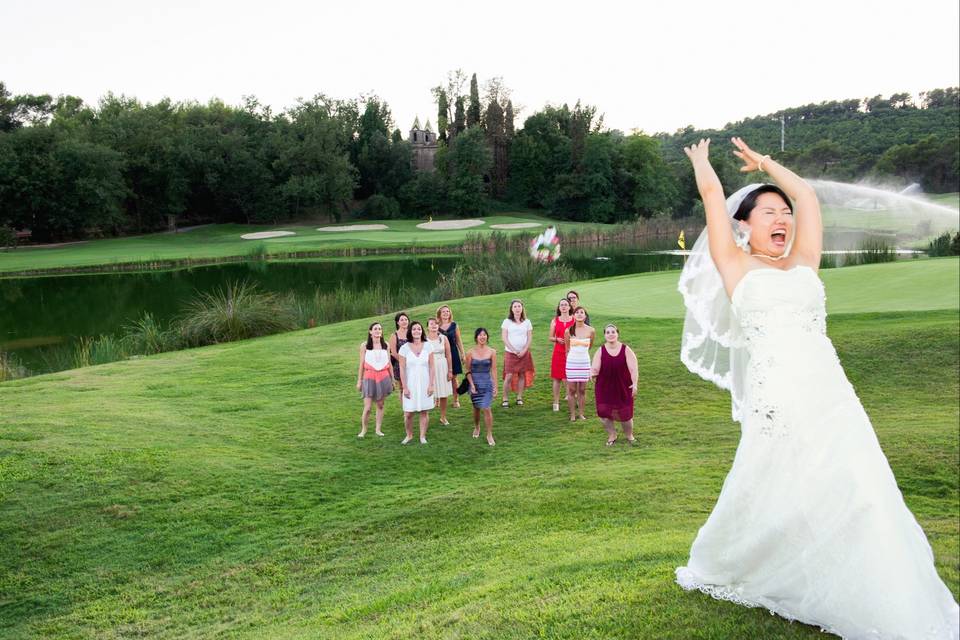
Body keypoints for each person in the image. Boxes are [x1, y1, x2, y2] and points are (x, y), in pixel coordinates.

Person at [675, 137, 959, 638]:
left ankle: (880, 586)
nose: (782, 218)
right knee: (775, 486)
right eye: (768, 212)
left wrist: (764, 164)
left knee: (860, 486)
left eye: (783, 213)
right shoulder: (735, 265)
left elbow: (806, 195)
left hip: (832, 395)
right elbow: (713, 198)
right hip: (776, 400)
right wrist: (702, 163)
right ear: (745, 225)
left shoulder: (805, 260)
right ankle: (753, 560)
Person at [590, 323, 638, 445]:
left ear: (617, 334)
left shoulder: (626, 349)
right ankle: (612, 435)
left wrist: (635, 383)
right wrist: (592, 373)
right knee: (603, 412)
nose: (611, 334)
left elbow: (633, 369)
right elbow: (595, 367)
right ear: (605, 335)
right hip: (604, 387)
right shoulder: (600, 350)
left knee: (625, 415)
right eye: (608, 332)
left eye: (613, 332)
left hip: (623, 386)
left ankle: (629, 435)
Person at [398, 321, 435, 445]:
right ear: (410, 331)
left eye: (419, 329)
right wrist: (405, 387)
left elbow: (432, 367)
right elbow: (402, 369)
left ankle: (422, 436)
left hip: (425, 383)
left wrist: (431, 384)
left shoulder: (428, 346)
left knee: (424, 411)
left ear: (422, 331)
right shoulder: (404, 348)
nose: (416, 331)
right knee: (408, 413)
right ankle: (409, 435)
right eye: (414, 329)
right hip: (410, 384)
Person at [355, 321, 393, 438]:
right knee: (367, 408)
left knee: (380, 405)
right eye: (375, 329)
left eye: (380, 329)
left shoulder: (386, 345)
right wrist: (359, 380)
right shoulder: (365, 346)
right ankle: (364, 430)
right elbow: (361, 364)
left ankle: (378, 429)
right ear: (370, 331)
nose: (378, 331)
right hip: (369, 377)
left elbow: (389, 363)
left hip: (383, 376)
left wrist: (392, 379)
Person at [465, 327, 498, 446]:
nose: (482, 337)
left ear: (487, 337)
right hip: (474, 383)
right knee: (476, 408)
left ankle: (489, 434)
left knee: (487, 408)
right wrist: (472, 385)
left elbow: (494, 370)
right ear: (476, 337)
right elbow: (467, 371)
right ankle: (477, 426)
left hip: (487, 383)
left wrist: (495, 386)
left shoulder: (492, 352)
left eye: (484, 335)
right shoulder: (470, 352)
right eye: (480, 335)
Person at [500, 299, 534, 407]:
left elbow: (529, 338)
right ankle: (505, 398)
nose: (517, 308)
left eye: (519, 306)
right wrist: (514, 350)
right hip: (511, 353)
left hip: (524, 353)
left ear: (522, 308)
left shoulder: (527, 322)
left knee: (522, 375)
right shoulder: (507, 321)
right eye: (515, 306)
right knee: (509, 375)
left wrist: (524, 350)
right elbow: (504, 338)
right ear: (511, 309)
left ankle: (519, 397)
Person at [564, 306, 595, 421]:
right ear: (573, 315)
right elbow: (567, 349)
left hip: (584, 363)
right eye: (577, 312)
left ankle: (581, 413)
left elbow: (590, 346)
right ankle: (572, 414)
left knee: (582, 390)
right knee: (572, 390)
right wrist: (570, 361)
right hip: (572, 363)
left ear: (585, 315)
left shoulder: (591, 330)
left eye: (582, 312)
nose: (579, 314)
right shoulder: (568, 330)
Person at [426, 317, 454, 425]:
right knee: (429, 392)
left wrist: (450, 370)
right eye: (431, 324)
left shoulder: (443, 338)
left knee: (443, 393)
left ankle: (443, 417)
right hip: (429, 367)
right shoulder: (424, 340)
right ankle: (426, 417)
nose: (434, 325)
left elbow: (448, 354)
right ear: (427, 326)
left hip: (442, 365)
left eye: (436, 323)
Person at [437, 305, 466, 408]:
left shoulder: (454, 325)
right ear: (439, 314)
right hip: (441, 354)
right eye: (443, 312)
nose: (446, 313)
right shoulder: (436, 326)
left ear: (450, 313)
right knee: (439, 377)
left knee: (454, 377)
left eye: (447, 311)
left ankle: (456, 399)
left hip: (453, 353)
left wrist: (463, 353)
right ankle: (438, 399)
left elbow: (458, 340)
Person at [549, 298, 575, 411]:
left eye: (565, 305)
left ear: (569, 307)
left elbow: (578, 335)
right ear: (559, 308)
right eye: (561, 305)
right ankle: (555, 403)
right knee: (557, 378)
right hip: (558, 352)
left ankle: (572, 400)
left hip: (571, 352)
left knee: (569, 377)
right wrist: (557, 339)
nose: (563, 307)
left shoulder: (574, 320)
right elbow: (550, 337)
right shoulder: (555, 320)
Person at [388, 312, 410, 409]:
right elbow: (393, 352)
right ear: (397, 322)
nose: (404, 321)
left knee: (412, 385)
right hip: (400, 365)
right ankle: (405, 407)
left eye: (406, 319)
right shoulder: (394, 335)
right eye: (402, 320)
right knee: (402, 387)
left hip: (413, 364)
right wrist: (404, 362)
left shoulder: (412, 332)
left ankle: (413, 404)